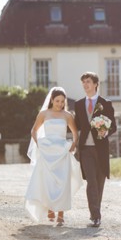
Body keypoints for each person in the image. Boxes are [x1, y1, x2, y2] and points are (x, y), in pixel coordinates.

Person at [25, 87, 83, 226]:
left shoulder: (67, 115)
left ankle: (61, 214)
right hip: (48, 152)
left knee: (63, 182)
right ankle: (50, 208)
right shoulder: (44, 114)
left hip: (62, 152)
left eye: (62, 101)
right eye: (57, 101)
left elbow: (75, 133)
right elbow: (34, 130)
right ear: (51, 100)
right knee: (49, 182)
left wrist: (73, 145)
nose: (60, 104)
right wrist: (40, 145)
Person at [74, 71, 117, 228]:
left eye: (88, 82)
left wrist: (106, 131)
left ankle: (95, 212)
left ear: (95, 84)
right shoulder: (78, 104)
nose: (85, 85)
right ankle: (95, 216)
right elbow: (76, 125)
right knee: (91, 182)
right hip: (85, 149)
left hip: (101, 150)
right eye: (83, 82)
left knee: (99, 182)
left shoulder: (106, 103)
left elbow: (113, 126)